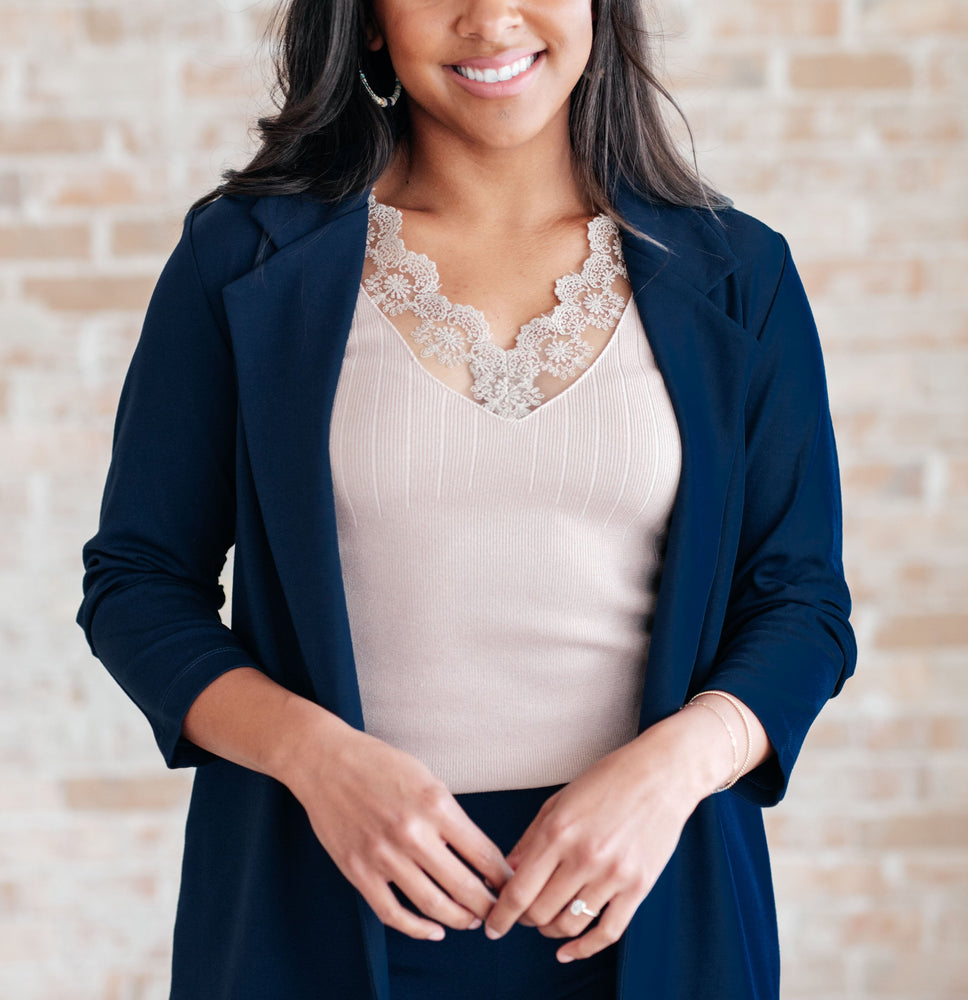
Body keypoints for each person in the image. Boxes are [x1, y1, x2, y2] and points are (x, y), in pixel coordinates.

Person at [77, 0, 856, 995]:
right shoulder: (243, 258)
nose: (490, 17)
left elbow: (801, 606)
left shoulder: (737, 272)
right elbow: (138, 584)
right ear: (366, 23)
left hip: (646, 899)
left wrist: (671, 773)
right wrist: (320, 761)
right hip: (317, 898)